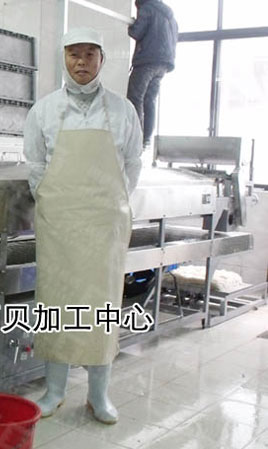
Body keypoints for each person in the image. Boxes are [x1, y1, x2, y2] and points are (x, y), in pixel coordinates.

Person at [23, 27, 142, 425]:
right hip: (59, 224)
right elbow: (35, 164)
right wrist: (52, 200)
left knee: (102, 307)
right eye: (74, 53)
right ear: (64, 58)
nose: (82, 62)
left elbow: (132, 163)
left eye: (90, 54)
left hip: (105, 225)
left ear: (101, 60)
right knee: (56, 304)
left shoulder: (123, 110)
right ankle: (54, 391)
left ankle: (98, 394)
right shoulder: (43, 111)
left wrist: (113, 201)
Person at [127, 0, 178, 148]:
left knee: (135, 98)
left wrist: (131, 25)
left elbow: (136, 32)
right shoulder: (169, 14)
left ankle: (136, 138)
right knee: (150, 100)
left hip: (147, 60)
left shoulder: (147, 8)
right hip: (164, 64)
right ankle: (146, 139)